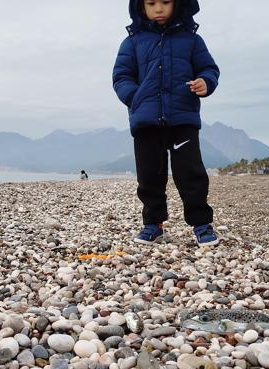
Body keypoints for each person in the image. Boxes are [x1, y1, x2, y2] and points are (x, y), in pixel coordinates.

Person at [113, 0, 219, 247]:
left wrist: (205, 81)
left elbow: (209, 68)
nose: (158, 9)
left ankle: (201, 224)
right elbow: (121, 76)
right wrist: (135, 98)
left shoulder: (192, 40)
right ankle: (153, 225)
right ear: (140, 7)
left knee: (191, 173)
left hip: (182, 118)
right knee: (149, 175)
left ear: (178, 4)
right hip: (146, 121)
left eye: (165, 2)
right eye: (151, 3)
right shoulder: (132, 42)